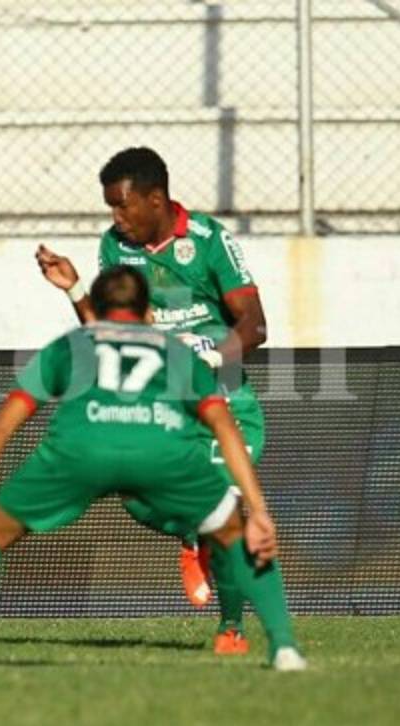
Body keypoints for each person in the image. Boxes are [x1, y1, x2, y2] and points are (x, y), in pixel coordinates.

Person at [0, 266, 306, 675]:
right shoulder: (177, 354)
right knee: (234, 535)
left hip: (81, 450)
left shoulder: (71, 345)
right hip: (161, 451)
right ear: (149, 313)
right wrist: (257, 509)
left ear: (96, 310)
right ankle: (284, 649)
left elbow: (3, 426)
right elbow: (223, 426)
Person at [35, 146, 268, 655]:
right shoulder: (116, 248)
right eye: (111, 210)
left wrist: (212, 354)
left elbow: (255, 325)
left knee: (229, 511)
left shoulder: (208, 241)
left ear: (156, 199)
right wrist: (75, 289)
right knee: (135, 496)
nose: (116, 220)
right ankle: (190, 534)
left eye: (122, 207)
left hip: (223, 406)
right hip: (159, 408)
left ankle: (231, 630)